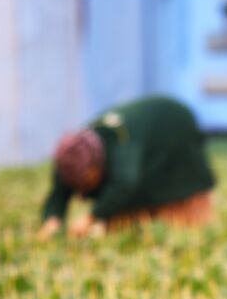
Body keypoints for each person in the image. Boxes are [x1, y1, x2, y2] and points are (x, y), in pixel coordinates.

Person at [40, 96, 217, 238]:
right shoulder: (71, 156)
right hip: (146, 133)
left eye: (87, 181)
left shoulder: (120, 142)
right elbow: (58, 192)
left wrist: (91, 217)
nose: (82, 191)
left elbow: (125, 183)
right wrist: (52, 222)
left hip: (173, 126)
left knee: (178, 198)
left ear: (98, 164)